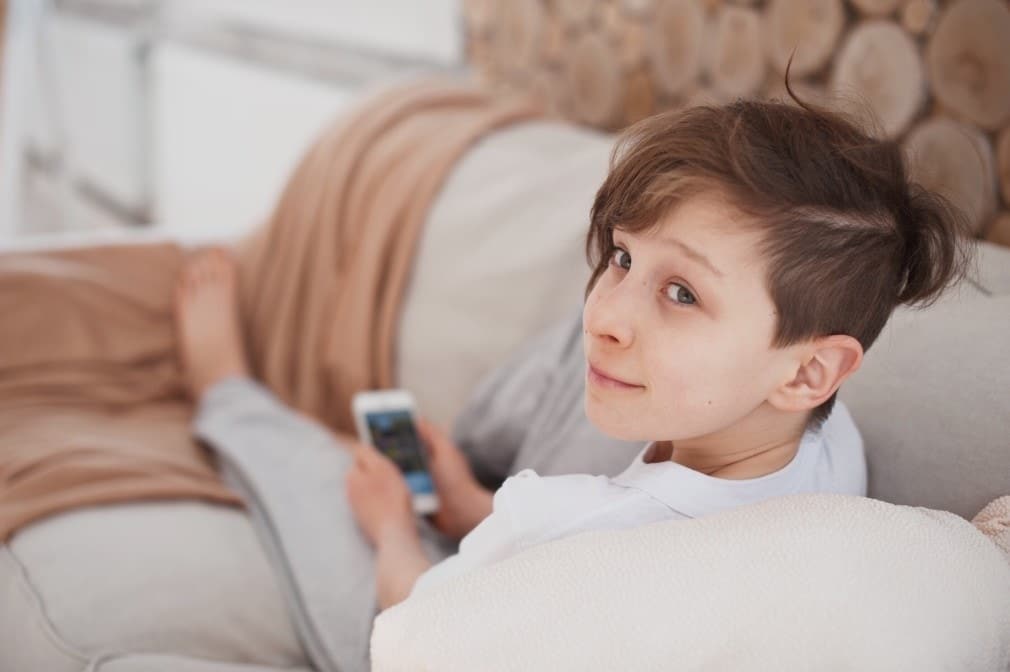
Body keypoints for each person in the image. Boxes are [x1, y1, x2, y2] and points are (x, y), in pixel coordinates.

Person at [175, 95, 971, 617]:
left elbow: (412, 637)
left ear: (808, 371)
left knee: (336, 485)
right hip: (511, 562)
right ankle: (452, 485)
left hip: (422, 616)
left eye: (683, 293)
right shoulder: (826, 442)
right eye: (623, 258)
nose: (607, 314)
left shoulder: (571, 531)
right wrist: (466, 504)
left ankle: (229, 394)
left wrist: (392, 532)